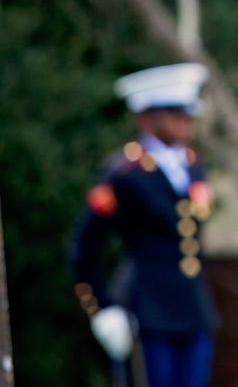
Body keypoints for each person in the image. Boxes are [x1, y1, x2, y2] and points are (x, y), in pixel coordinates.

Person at [71, 62, 217, 387]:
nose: (185, 122)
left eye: (187, 114)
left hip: (193, 309)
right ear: (146, 118)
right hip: (147, 311)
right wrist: (102, 309)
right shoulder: (125, 175)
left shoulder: (194, 167)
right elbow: (84, 247)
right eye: (175, 114)